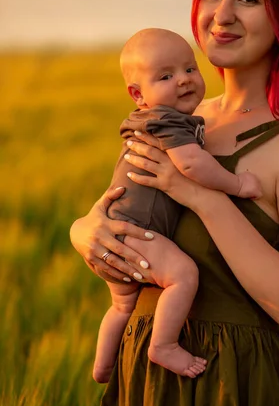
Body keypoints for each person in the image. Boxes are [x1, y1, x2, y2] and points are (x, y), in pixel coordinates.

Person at [70, 0, 279, 406]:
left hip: (233, 388)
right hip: (146, 382)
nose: (222, 15)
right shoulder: (178, 117)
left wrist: (198, 193)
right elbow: (126, 202)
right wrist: (84, 230)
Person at [94, 27, 262, 383]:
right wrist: (237, 184)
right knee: (183, 275)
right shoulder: (165, 120)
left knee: (121, 305)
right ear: (138, 94)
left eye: (190, 68)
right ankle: (164, 345)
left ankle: (104, 365)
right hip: (135, 236)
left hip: (115, 234)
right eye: (166, 76)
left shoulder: (145, 120)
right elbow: (191, 165)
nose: (184, 81)